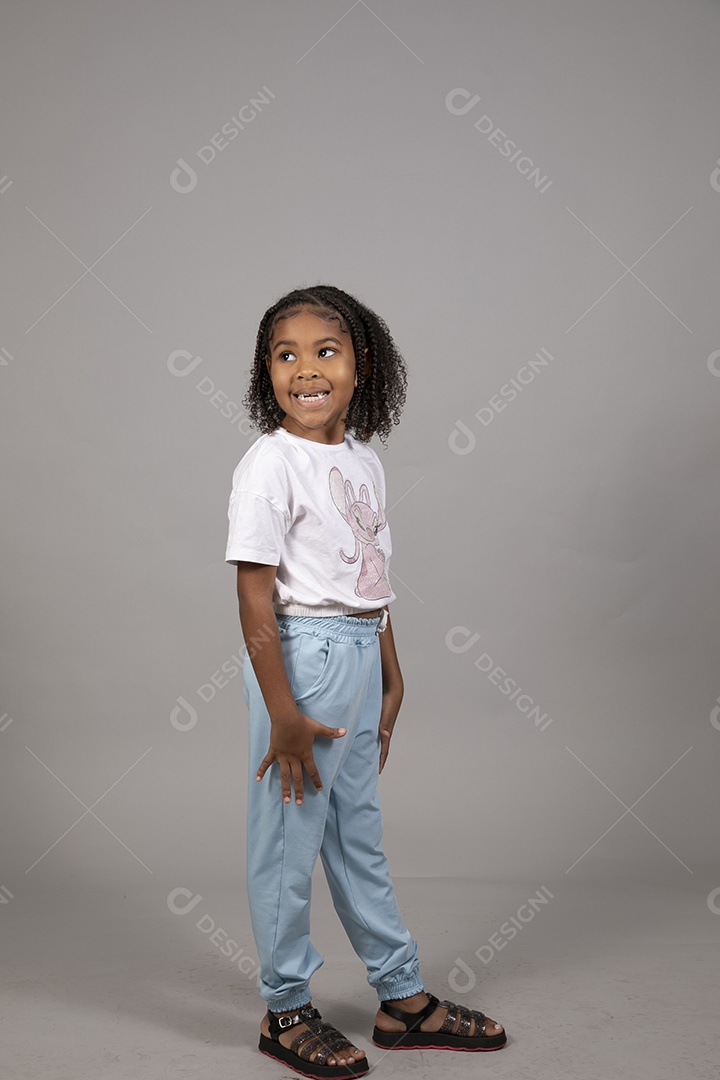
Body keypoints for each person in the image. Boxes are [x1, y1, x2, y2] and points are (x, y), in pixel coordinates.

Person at [225, 285, 506, 1077]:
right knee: (288, 842)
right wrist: (282, 709)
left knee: (358, 837)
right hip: (299, 661)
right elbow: (253, 592)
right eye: (286, 355)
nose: (305, 371)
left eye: (326, 352)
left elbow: (371, 581)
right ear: (266, 372)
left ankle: (401, 997)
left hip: (355, 651)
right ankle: (285, 1008)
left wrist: (392, 673)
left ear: (361, 366)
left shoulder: (364, 464)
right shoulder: (269, 463)